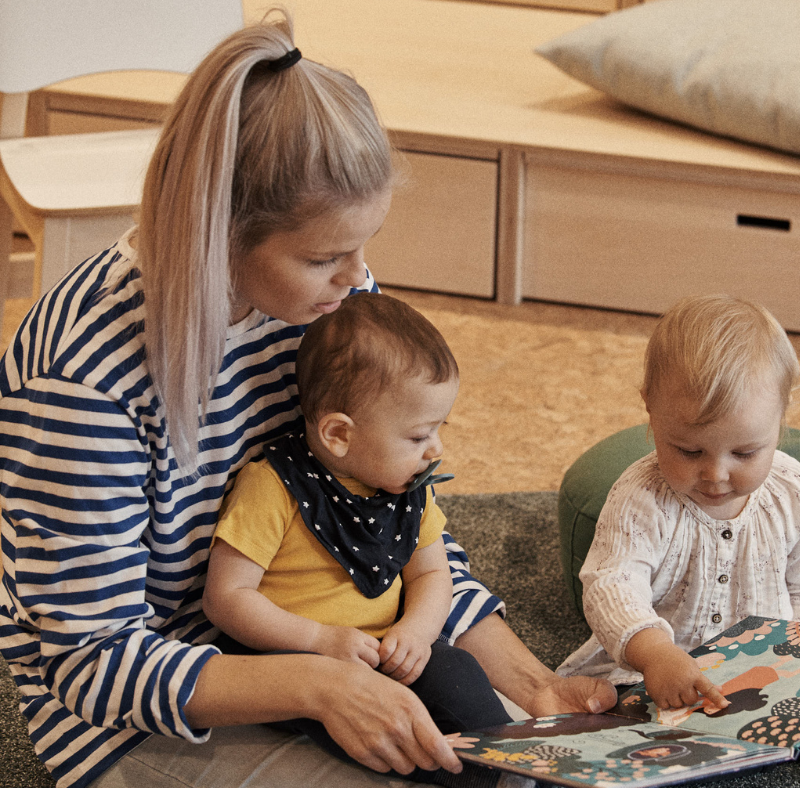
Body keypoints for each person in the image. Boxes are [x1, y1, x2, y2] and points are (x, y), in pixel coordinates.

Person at [0, 13, 615, 788]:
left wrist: (534, 689)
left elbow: (396, 511)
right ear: (218, 232)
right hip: (149, 707)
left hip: (318, 636)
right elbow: (93, 664)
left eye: (363, 245)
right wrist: (322, 684)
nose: (357, 276)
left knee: (521, 768)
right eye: (325, 255)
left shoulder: (328, 303)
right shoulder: (82, 381)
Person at [557, 294, 800, 788]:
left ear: (781, 419)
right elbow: (611, 584)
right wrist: (655, 656)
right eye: (689, 449)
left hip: (775, 675)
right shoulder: (639, 498)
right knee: (611, 716)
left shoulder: (797, 491)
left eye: (745, 451)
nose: (716, 474)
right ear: (649, 412)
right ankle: (792, 742)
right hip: (659, 676)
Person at [203, 292, 515, 781]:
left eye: (439, 428)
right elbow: (226, 598)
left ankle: (508, 761)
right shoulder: (272, 486)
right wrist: (319, 639)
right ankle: (474, 774)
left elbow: (433, 571)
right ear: (339, 435)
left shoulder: (408, 486)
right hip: (297, 665)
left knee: (458, 673)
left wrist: (418, 630)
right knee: (394, 746)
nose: (437, 449)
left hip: (387, 649)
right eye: (418, 436)